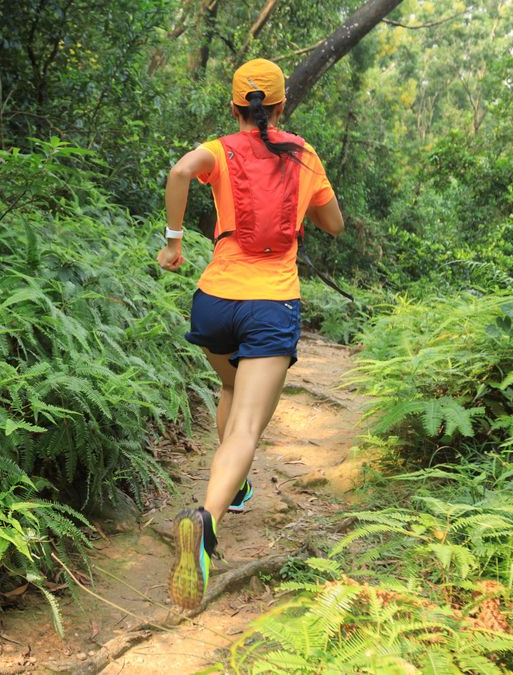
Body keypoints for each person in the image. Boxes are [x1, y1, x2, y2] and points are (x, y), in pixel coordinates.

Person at [157, 58, 344, 610]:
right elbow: (332, 224)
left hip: (214, 301)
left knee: (232, 388)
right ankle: (204, 523)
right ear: (281, 104)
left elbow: (177, 173)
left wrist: (173, 241)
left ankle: (234, 489)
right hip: (269, 304)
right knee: (245, 427)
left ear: (236, 106)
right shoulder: (303, 154)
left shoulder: (218, 150)